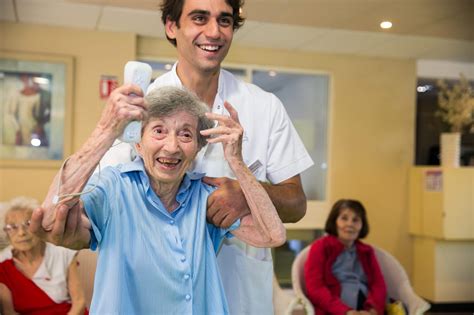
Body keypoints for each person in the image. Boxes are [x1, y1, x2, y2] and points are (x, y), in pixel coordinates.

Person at [32, 85, 286, 314]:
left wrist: (237, 163)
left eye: (186, 135)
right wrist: (106, 131)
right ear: (138, 144)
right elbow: (52, 217)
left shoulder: (205, 195)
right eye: (159, 131)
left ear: (197, 149)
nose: (172, 146)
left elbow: (273, 236)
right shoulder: (114, 186)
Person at [145, 1, 314, 313]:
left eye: (224, 20)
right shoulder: (143, 105)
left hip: (241, 298)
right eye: (199, 18)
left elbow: (296, 203)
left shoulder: (264, 107)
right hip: (160, 295)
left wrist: (248, 194)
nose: (214, 31)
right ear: (171, 26)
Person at [0, 197, 87, 315]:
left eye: (28, 224)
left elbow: (79, 302)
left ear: (40, 225)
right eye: (13, 227)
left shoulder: (62, 252)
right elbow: (9, 312)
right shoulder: (3, 264)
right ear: (6, 232)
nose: (21, 233)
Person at [304, 199, 387, 315]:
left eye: (356, 220)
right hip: (334, 310)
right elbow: (315, 288)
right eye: (344, 218)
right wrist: (346, 312)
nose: (350, 224)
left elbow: (379, 284)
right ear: (334, 221)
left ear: (362, 225)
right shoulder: (320, 247)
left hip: (366, 309)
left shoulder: (367, 251)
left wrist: (373, 310)